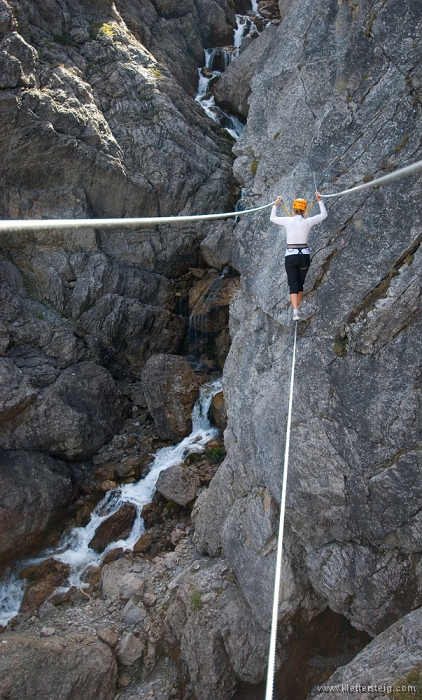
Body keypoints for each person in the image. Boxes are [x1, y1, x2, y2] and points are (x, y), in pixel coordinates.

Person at [271, 192, 327, 321]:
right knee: (300, 283)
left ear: (293, 209)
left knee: (293, 284)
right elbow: (324, 215)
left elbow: (272, 218)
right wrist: (319, 200)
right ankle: (297, 307)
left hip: (291, 256)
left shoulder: (287, 220)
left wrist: (276, 204)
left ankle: (295, 310)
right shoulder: (307, 222)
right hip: (304, 256)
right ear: (304, 210)